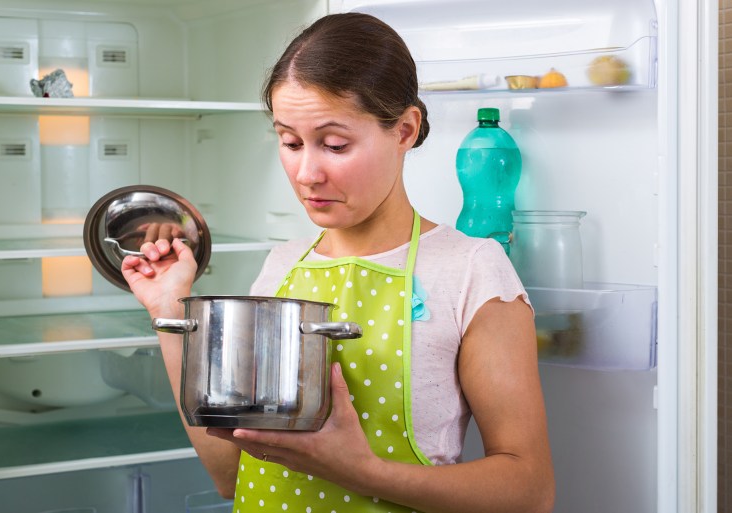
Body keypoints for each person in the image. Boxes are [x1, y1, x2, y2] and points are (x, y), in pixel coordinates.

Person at [122, 12, 554, 513]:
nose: (307, 172)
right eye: (289, 142)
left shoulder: (472, 270)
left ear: (405, 131)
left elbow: (531, 492)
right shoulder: (282, 267)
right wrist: (169, 311)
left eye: (334, 144)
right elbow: (230, 475)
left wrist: (361, 471)